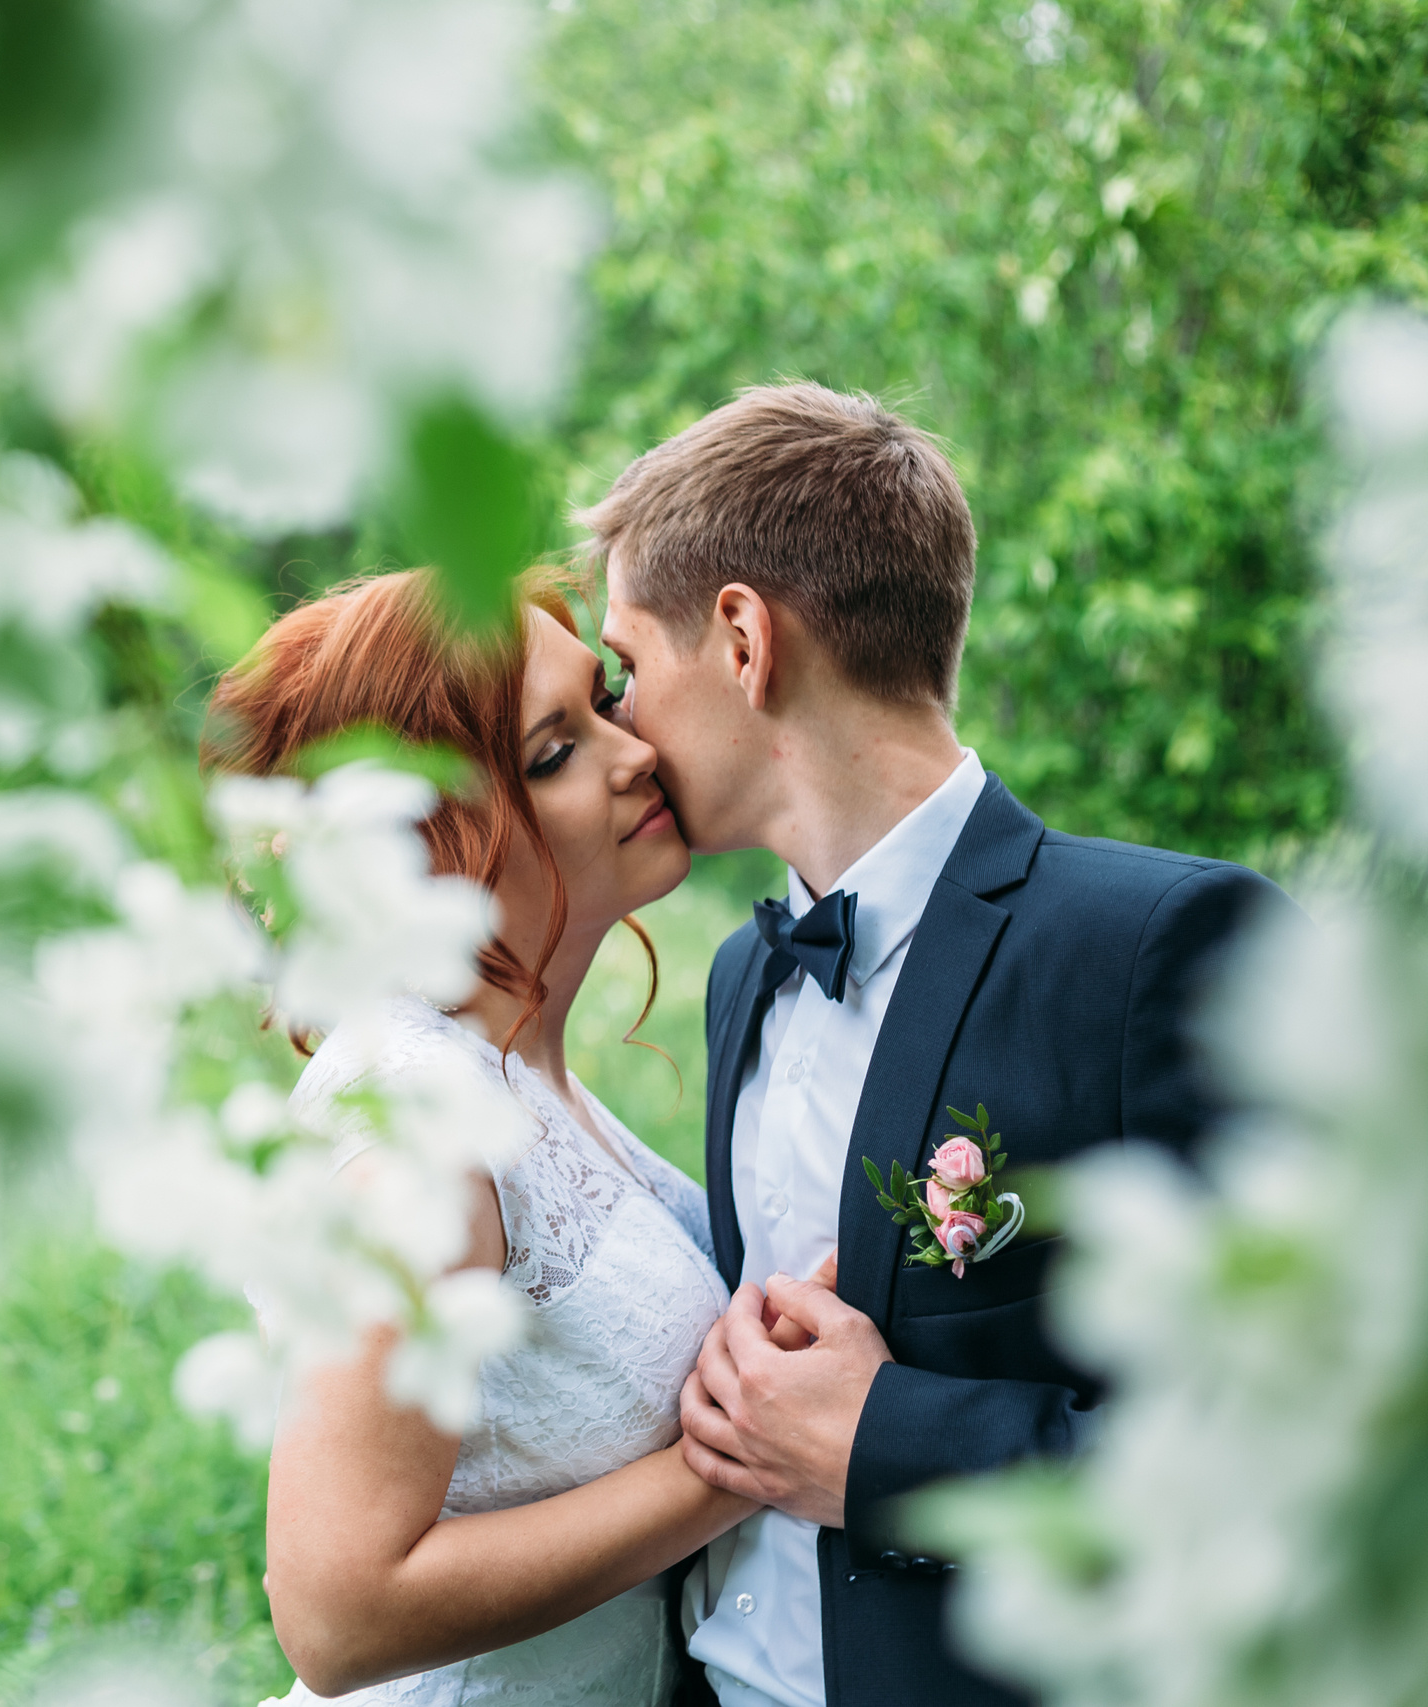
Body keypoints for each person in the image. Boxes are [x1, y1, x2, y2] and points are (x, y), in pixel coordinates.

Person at [587, 382, 1285, 1707]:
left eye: (628, 666)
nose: (619, 724)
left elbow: (1310, 1455)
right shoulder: (743, 974)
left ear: (741, 639)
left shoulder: (1161, 948)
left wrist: (887, 1440)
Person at [206, 568, 756, 1705]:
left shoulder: (514, 1080)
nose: (633, 752)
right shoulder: (416, 1125)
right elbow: (337, 1612)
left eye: (603, 703)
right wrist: (730, 1472)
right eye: (553, 752)